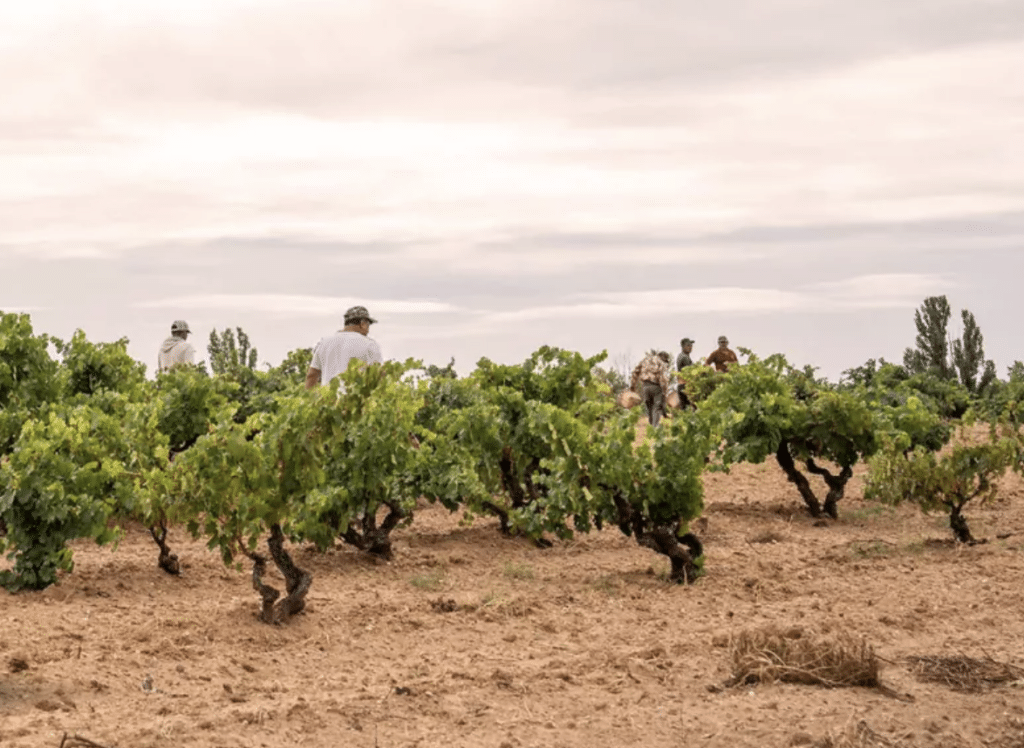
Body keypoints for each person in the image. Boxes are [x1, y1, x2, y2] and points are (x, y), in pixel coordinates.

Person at [305, 305, 384, 390]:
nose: (368, 330)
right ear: (363, 324)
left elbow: (312, 375)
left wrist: (310, 399)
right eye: (368, 325)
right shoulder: (370, 344)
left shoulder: (324, 343)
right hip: (355, 402)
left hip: (327, 400)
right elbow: (380, 376)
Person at [630, 350, 672, 426]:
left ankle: (651, 426)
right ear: (663, 357)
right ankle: (655, 428)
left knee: (649, 407)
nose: (666, 362)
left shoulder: (645, 360)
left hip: (645, 386)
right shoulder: (661, 362)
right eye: (666, 360)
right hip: (656, 386)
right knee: (656, 408)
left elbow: (635, 372)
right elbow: (663, 378)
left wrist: (632, 386)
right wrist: (664, 392)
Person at [675, 338, 695, 409]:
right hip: (685, 385)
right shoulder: (684, 357)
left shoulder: (682, 356)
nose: (690, 347)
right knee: (692, 407)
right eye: (688, 345)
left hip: (681, 384)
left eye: (691, 346)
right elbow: (691, 371)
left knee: (685, 409)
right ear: (683, 346)